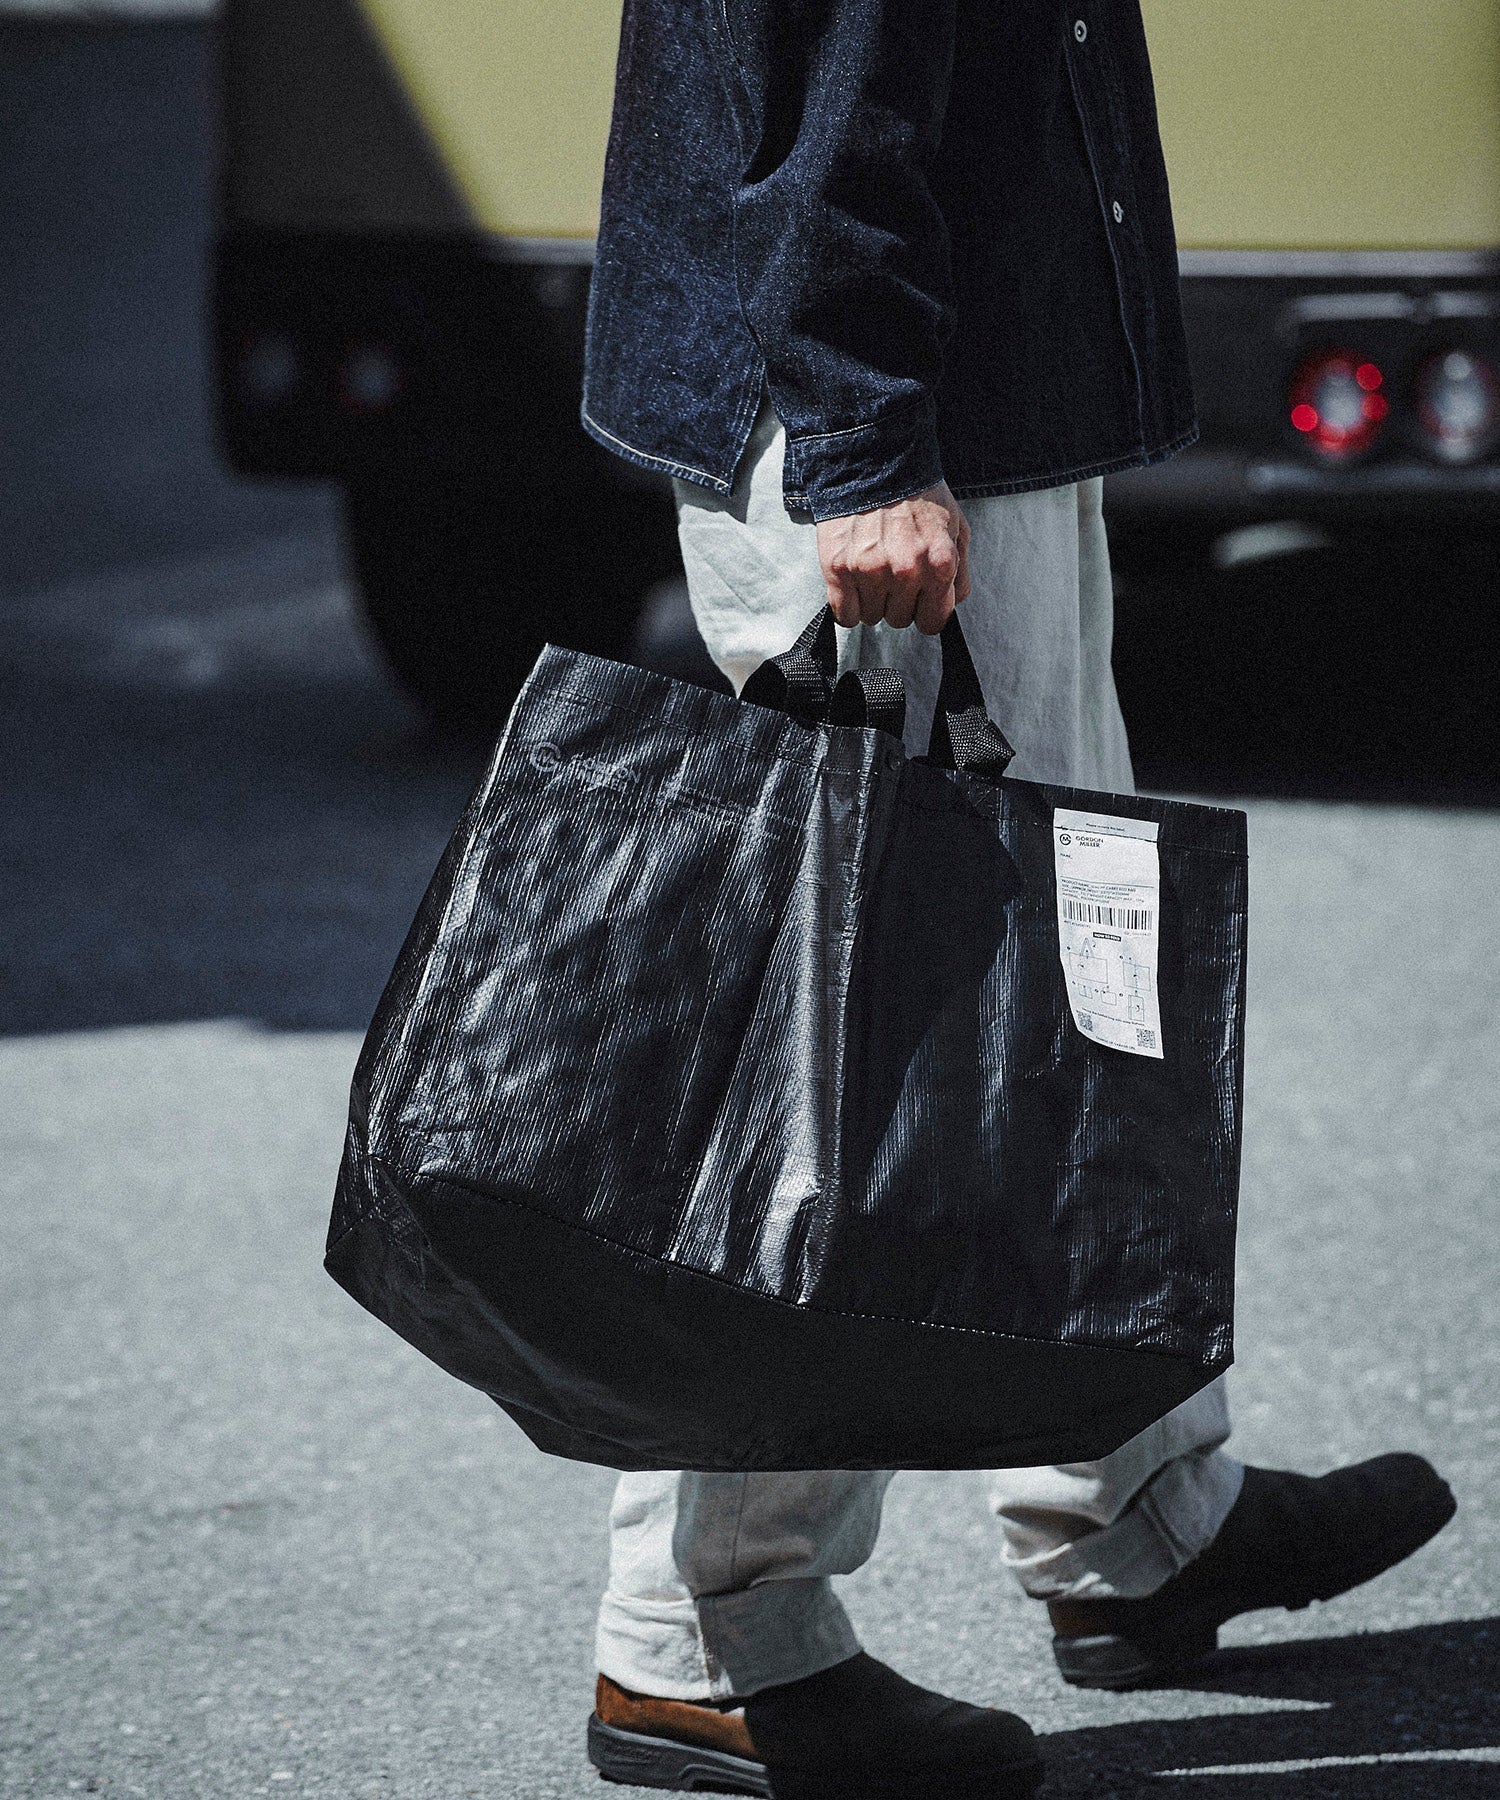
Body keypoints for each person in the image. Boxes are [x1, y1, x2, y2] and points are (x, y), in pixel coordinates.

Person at [575, 4, 1456, 1795]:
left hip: (972, 398)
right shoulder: (873, 431)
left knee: (1066, 988)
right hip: (885, 434)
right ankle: (708, 1630)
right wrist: (862, 441)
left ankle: (1132, 1505)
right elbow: (824, 70)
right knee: (859, 1051)